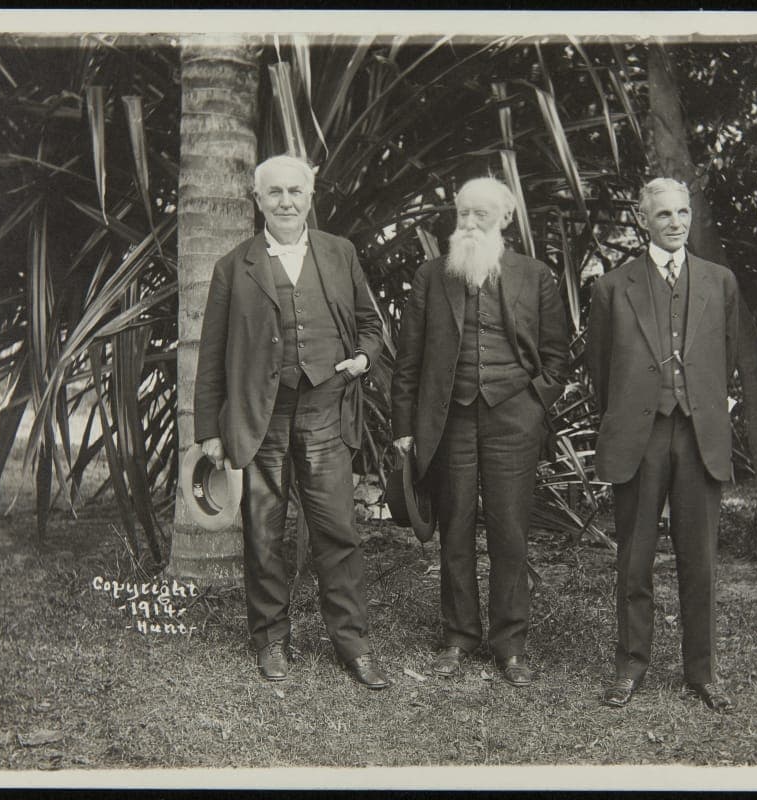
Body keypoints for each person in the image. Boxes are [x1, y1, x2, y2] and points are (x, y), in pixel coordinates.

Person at [193, 154, 391, 689]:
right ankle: (271, 640)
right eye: (274, 193)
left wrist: (365, 358)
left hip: (327, 411)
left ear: (310, 196)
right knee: (263, 533)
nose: (285, 201)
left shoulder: (339, 253)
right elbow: (212, 355)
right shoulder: (234, 267)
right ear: (257, 200)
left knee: (338, 531)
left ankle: (353, 644)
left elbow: (373, 326)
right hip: (263, 418)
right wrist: (209, 432)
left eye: (294, 192)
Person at [390, 176, 570, 687]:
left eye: (481, 216)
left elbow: (558, 358)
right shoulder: (432, 277)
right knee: (456, 530)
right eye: (463, 214)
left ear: (506, 221)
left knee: (511, 533)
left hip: (514, 419)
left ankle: (510, 644)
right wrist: (405, 428)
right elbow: (409, 361)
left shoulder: (536, 277)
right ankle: (459, 636)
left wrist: (533, 404)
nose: (468, 224)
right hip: (449, 421)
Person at [587, 177, 739, 710]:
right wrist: (632, 415)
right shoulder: (613, 287)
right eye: (664, 215)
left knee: (699, 560)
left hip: (699, 436)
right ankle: (630, 666)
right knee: (635, 558)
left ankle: (702, 672)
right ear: (642, 218)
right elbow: (601, 370)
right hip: (640, 436)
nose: (675, 223)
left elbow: (728, 356)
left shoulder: (720, 282)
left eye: (682, 213)